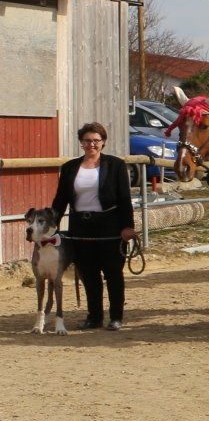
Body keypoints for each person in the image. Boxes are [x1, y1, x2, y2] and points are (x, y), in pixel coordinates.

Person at [49, 121, 136, 330]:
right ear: (81, 143)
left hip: (110, 225)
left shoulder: (115, 165)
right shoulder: (70, 168)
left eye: (96, 140)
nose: (91, 145)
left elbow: (124, 198)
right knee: (88, 273)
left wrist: (128, 226)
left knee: (113, 273)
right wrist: (51, 227)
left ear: (103, 142)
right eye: (87, 140)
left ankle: (116, 317)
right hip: (81, 226)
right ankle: (94, 316)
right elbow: (60, 200)